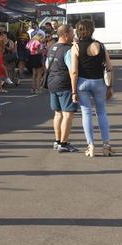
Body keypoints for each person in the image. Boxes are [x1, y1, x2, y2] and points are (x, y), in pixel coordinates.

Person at [69, 20, 114, 158]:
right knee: (101, 113)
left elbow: (74, 71)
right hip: (99, 82)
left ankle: (91, 146)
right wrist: (110, 86)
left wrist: (74, 91)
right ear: (92, 30)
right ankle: (106, 145)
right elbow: (110, 67)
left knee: (86, 113)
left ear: (78, 31)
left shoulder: (75, 47)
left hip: (82, 82)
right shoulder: (100, 46)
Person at [46, 25, 78, 153]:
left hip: (52, 82)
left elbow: (47, 65)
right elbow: (73, 71)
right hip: (64, 83)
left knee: (57, 113)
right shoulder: (68, 50)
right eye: (71, 33)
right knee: (67, 114)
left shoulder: (51, 48)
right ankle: (64, 144)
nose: (73, 36)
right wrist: (75, 90)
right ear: (65, 34)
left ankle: (57, 140)